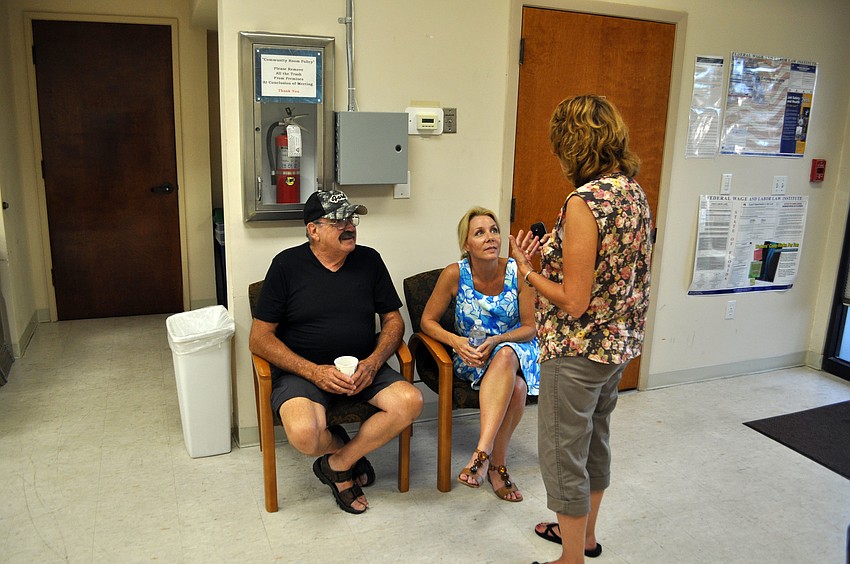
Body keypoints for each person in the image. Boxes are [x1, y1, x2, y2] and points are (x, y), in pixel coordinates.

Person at [510, 95, 652, 562]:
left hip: (575, 352)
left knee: (562, 453)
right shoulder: (631, 192)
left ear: (572, 144)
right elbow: (609, 268)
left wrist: (527, 270)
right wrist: (551, 251)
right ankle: (584, 536)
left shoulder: (583, 202)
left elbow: (574, 300)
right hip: (616, 347)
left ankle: (569, 558)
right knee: (594, 441)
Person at [249, 189, 424, 515]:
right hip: (304, 373)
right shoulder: (286, 266)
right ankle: (341, 446)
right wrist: (313, 371)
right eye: (338, 220)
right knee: (304, 435)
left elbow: (392, 320)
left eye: (351, 218)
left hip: (362, 367)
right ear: (312, 230)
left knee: (410, 401)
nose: (349, 226)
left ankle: (338, 464)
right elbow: (260, 339)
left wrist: (373, 363)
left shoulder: (369, 260)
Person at [421, 206, 539, 502]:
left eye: (494, 230)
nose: (490, 238)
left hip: (517, 351)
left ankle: (481, 454)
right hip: (473, 357)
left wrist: (499, 339)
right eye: (479, 232)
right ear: (466, 244)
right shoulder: (454, 274)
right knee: (518, 388)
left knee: (507, 354)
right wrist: (456, 342)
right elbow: (427, 321)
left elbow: (530, 328)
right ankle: (498, 466)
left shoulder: (518, 273)